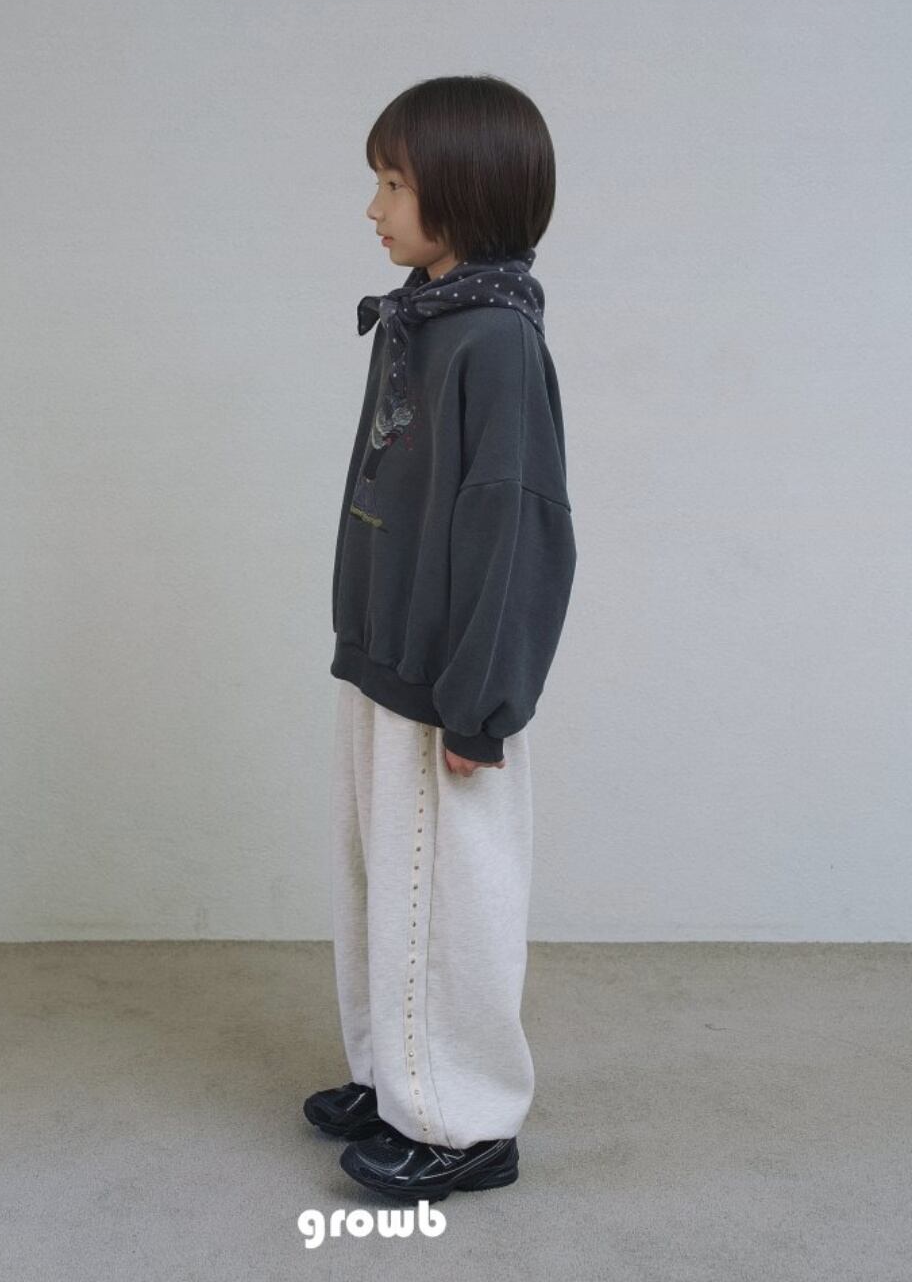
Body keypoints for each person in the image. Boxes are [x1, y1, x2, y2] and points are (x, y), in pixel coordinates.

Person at [304, 74, 578, 1204]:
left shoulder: (496, 344)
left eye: (394, 183)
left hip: (448, 686)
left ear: (462, 192)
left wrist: (481, 702)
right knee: (382, 885)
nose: (374, 208)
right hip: (384, 662)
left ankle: (465, 1122)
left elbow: (516, 527)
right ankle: (396, 1077)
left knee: (447, 902)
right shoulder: (422, 320)